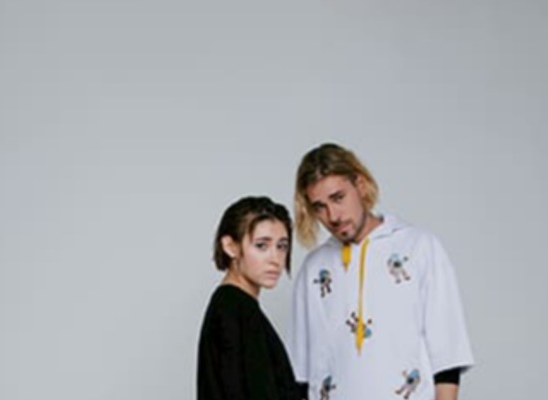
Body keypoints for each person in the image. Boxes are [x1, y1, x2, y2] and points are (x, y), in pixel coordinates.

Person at [289, 143, 474, 400]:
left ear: (360, 185)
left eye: (338, 198)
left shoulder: (419, 248)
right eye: (320, 206)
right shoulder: (314, 269)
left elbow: (447, 357)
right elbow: (301, 372)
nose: (333, 216)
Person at [197, 196, 304, 400]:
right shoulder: (235, 310)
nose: (275, 259)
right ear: (231, 247)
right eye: (262, 245)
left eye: (281, 246)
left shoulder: (233, 306)